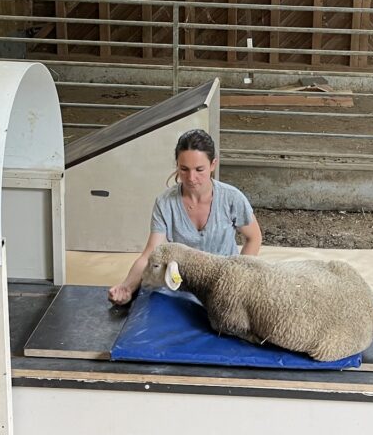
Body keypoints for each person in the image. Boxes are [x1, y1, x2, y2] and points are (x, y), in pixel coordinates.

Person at [107, 129, 262, 305]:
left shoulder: (232, 198)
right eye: (184, 169)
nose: (191, 178)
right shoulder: (165, 203)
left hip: (223, 282)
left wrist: (238, 278)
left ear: (213, 165)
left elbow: (254, 238)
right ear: (177, 165)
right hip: (181, 284)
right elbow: (151, 253)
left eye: (199, 169)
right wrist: (126, 287)